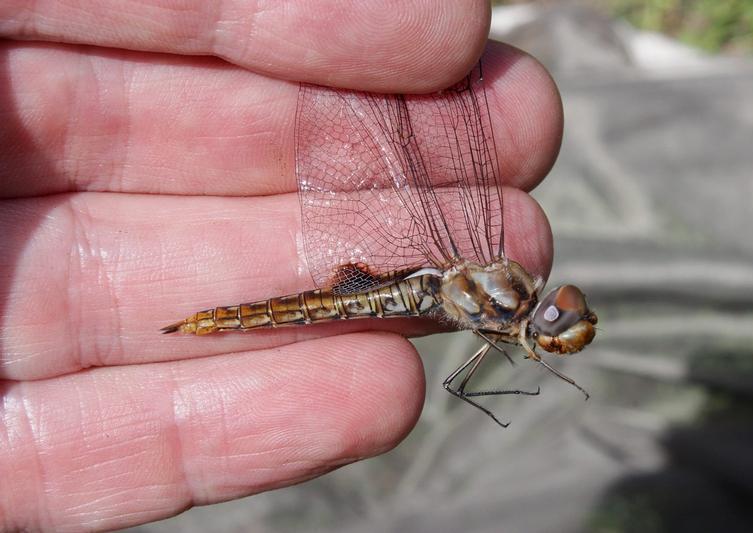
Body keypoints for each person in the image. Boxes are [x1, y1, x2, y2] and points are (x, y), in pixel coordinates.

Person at [0, 1, 564, 529]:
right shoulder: (502, 303)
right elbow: (464, 376)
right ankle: (204, 320)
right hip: (390, 289)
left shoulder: (502, 294)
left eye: (551, 322)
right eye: (549, 324)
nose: (547, 323)